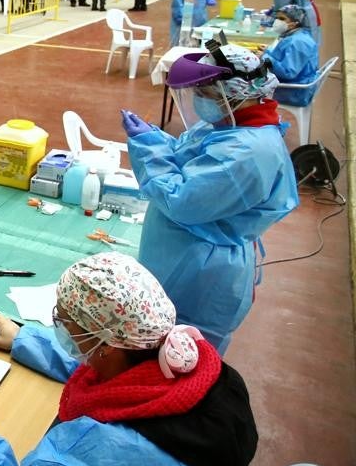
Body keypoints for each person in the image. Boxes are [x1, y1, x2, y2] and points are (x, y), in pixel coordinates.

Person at [0, 252, 258, 466]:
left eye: (66, 323)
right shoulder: (189, 364)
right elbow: (115, 379)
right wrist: (27, 340)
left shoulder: (91, 453)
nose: (61, 328)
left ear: (106, 345)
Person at [122, 43, 298, 352]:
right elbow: (190, 158)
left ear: (235, 94)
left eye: (206, 94)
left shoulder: (246, 153)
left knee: (175, 353)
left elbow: (182, 199)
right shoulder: (232, 125)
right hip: (187, 252)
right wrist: (156, 138)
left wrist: (147, 148)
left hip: (198, 271)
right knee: (154, 342)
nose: (200, 101)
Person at [262, 5, 320, 107]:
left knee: (244, 88)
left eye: (282, 19)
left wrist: (266, 58)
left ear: (294, 23)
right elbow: (282, 59)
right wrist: (267, 52)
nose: (277, 21)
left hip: (293, 91)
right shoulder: (297, 36)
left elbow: (288, 72)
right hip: (297, 85)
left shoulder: (298, 42)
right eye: (277, 18)